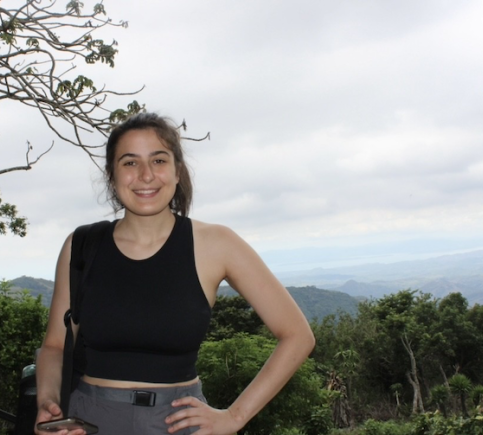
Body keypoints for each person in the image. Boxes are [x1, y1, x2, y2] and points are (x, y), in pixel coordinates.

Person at [35, 112, 315, 435]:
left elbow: (297, 335)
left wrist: (235, 417)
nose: (145, 175)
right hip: (90, 421)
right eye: (129, 163)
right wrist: (47, 405)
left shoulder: (216, 244)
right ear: (112, 176)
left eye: (158, 160)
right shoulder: (82, 246)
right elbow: (55, 347)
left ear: (177, 171)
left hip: (178, 424)